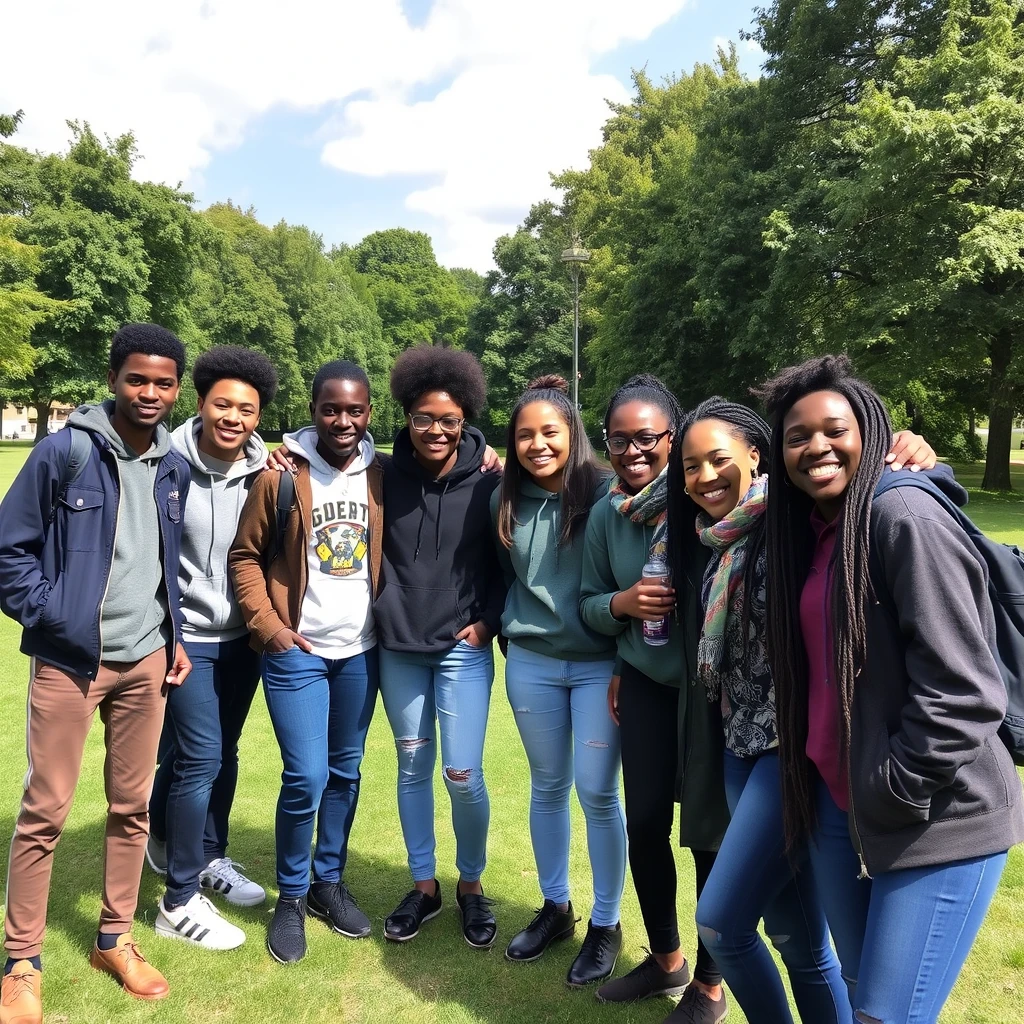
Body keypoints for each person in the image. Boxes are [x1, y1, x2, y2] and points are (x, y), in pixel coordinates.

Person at [759, 354, 1024, 1024]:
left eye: (833, 428)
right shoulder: (813, 531)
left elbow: (963, 692)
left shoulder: (902, 516)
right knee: (859, 992)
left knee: (885, 1015)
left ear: (870, 431)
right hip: (838, 809)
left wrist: (892, 786)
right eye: (796, 435)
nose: (816, 444)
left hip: (936, 814)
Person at [0, 323, 193, 1022]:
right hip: (70, 663)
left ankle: (114, 938)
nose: (150, 393)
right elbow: (8, 551)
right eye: (137, 379)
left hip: (145, 662)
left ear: (178, 388)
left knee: (132, 807)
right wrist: (52, 617)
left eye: (164, 382)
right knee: (45, 810)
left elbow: (163, 559)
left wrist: (170, 634)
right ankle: (21, 961)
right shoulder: (67, 451)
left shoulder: (173, 463)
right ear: (114, 377)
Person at [668, 399, 851, 1024]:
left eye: (719, 459)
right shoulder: (715, 541)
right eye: (691, 466)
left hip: (790, 753)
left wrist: (909, 449)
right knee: (797, 939)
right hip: (738, 750)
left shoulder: (791, 519)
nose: (705, 476)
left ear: (755, 454)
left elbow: (857, 477)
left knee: (721, 925)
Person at [580, 374, 730, 1024]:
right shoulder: (606, 516)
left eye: (647, 438)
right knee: (643, 824)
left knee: (707, 835)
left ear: (674, 437)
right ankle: (665, 959)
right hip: (641, 685)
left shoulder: (713, 504)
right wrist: (622, 604)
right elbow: (588, 602)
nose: (632, 451)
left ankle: (711, 981)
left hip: (709, 695)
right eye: (619, 440)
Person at [229, 360, 381, 964]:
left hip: (362, 652)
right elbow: (245, 556)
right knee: (306, 776)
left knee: (346, 773)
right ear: (313, 409)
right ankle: (290, 897)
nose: (343, 421)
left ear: (371, 413)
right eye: (331, 409)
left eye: (355, 410)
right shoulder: (282, 476)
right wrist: (270, 629)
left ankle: (327, 883)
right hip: (298, 652)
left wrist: (487, 452)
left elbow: (455, 454)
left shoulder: (383, 475)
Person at [493, 375, 626, 987]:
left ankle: (607, 922)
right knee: (547, 785)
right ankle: (556, 908)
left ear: (573, 435)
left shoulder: (608, 493)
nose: (538, 444)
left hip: (601, 665)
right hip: (532, 664)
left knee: (597, 792)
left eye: (551, 432)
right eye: (525, 434)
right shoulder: (506, 497)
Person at [145, 346, 279, 951]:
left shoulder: (269, 470)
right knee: (201, 755)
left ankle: (204, 854)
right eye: (222, 403)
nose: (233, 416)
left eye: (246, 409)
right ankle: (178, 899)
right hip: (185, 637)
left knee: (219, 750)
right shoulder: (164, 462)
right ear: (199, 403)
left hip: (242, 638)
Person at [373, 346, 505, 950]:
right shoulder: (380, 474)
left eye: (449, 420)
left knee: (462, 772)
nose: (436, 430)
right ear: (406, 415)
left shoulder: (491, 480)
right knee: (411, 765)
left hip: (461, 649)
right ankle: (423, 884)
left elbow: (512, 564)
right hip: (397, 646)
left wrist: (489, 622)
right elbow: (318, 456)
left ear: (466, 420)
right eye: (424, 417)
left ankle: (471, 884)